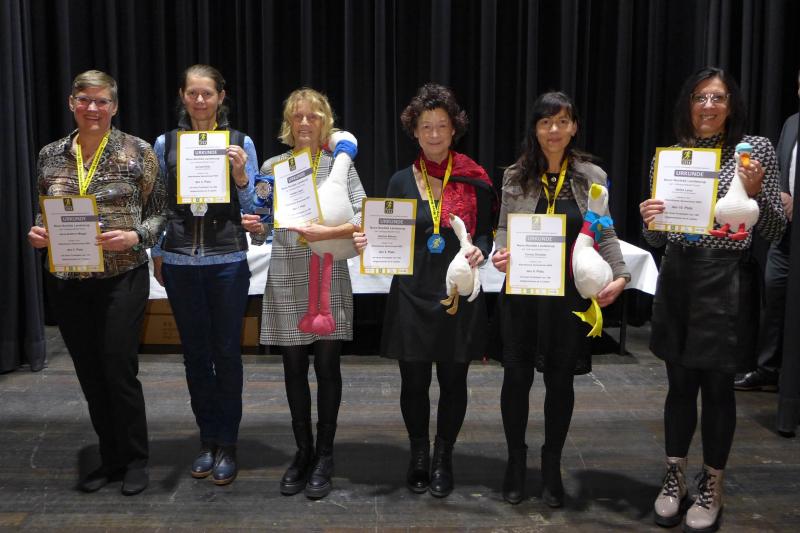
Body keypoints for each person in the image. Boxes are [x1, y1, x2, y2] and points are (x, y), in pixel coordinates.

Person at [640, 67, 785, 531]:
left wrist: (758, 193)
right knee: (679, 385)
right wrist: (649, 219)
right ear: (688, 104)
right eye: (700, 97)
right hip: (679, 275)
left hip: (728, 278)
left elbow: (775, 228)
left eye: (718, 97)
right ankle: (674, 476)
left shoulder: (755, 150)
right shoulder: (671, 156)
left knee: (719, 389)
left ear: (731, 104)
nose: (708, 106)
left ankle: (712, 483)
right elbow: (656, 238)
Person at [353, 83, 495, 498]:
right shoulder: (399, 181)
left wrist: (481, 250)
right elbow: (386, 234)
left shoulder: (474, 178)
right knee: (413, 382)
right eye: (426, 126)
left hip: (457, 294)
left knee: (453, 382)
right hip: (411, 294)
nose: (434, 134)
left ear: (455, 130)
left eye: (442, 126)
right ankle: (418, 454)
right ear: (414, 132)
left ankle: (443, 456)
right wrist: (368, 242)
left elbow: (485, 233)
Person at [27, 70, 166, 495]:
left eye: (102, 101)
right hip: (67, 277)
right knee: (89, 372)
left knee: (118, 368)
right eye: (85, 99)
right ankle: (111, 458)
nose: (93, 108)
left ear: (114, 106)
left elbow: (161, 213)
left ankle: (136, 459)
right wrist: (39, 232)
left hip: (122, 274)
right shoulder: (50, 155)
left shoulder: (138, 151)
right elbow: (44, 209)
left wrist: (136, 236)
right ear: (72, 102)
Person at [490, 92, 628, 507]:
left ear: (574, 127)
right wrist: (500, 253)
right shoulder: (516, 175)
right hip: (523, 293)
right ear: (535, 128)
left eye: (562, 121)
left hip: (567, 298)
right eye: (545, 122)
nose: (554, 130)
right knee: (516, 380)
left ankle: (551, 464)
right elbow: (503, 228)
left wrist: (621, 274)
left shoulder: (592, 176)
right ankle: (516, 461)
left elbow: (604, 230)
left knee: (560, 382)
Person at [243, 88, 365, 499]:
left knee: (328, 368)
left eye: (314, 116)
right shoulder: (273, 166)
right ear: (289, 123)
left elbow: (363, 214)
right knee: (293, 368)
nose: (306, 123)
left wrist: (326, 233)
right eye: (298, 117)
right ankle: (303, 451)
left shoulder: (340, 165)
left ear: (325, 122)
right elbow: (262, 223)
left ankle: (326, 455)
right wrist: (255, 225)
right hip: (286, 273)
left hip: (329, 273)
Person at [150, 64, 259, 485]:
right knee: (195, 355)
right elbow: (158, 204)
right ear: (182, 95)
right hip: (180, 262)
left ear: (221, 97)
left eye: (207, 93)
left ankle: (228, 442)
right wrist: (158, 252)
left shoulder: (240, 142)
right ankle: (207, 439)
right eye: (192, 93)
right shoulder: (166, 143)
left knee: (227, 354)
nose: (200, 100)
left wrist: (241, 176)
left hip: (227, 261)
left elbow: (256, 206)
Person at [735, 70, 799, 392]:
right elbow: (783, 171)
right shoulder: (792, 123)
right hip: (786, 233)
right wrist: (783, 194)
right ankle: (768, 369)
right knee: (774, 300)